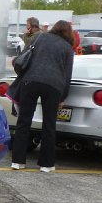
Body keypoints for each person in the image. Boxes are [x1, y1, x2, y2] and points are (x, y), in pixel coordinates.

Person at [10, 20, 75, 173]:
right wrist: (63, 97)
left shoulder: (39, 38)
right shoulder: (67, 48)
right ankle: (46, 164)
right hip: (53, 86)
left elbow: (25, 56)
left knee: (24, 122)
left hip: (30, 81)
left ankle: (17, 161)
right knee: (49, 124)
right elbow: (67, 75)